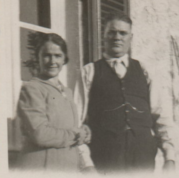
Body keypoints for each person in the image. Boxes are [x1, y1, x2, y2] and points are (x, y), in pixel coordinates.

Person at [76, 12, 176, 173]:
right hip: (104, 159)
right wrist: (86, 164)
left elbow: (161, 117)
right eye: (112, 32)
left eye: (123, 33)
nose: (117, 37)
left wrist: (170, 157)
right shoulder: (89, 72)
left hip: (143, 159)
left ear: (131, 37)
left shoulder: (144, 70)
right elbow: (77, 123)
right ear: (104, 36)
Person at [15, 32, 94, 172]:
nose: (52, 62)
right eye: (47, 55)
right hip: (41, 167)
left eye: (58, 56)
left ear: (64, 59)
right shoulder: (31, 89)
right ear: (38, 58)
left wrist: (83, 130)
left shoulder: (67, 92)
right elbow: (40, 134)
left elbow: (67, 126)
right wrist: (76, 134)